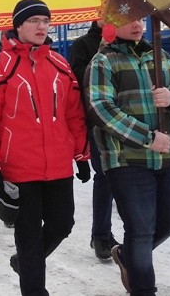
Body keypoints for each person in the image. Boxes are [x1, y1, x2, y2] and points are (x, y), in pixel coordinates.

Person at [0, 0, 90, 296]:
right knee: (29, 238)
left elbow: (73, 113)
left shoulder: (59, 64)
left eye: (45, 21)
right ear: (18, 25)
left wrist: (82, 155)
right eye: (34, 21)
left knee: (63, 223)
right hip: (19, 169)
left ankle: (24, 262)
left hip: (59, 166)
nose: (41, 26)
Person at [85, 18, 170, 295]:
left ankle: (125, 254)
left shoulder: (159, 55)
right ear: (110, 24)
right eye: (127, 19)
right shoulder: (103, 61)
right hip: (126, 159)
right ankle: (143, 289)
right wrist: (147, 137)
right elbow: (101, 109)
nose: (137, 25)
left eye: (139, 19)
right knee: (141, 229)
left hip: (167, 157)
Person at [68, 19, 121, 259]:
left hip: (127, 121)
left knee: (125, 177)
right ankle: (101, 235)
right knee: (106, 176)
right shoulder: (83, 44)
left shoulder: (129, 44)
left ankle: (128, 235)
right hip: (98, 120)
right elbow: (79, 81)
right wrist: (102, 54)